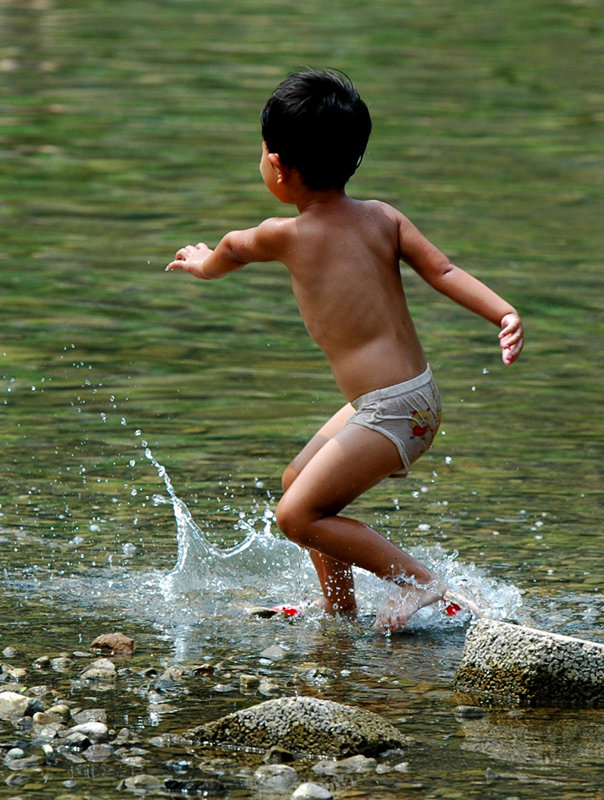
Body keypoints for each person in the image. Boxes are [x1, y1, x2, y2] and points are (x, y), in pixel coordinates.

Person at [166, 69, 524, 633]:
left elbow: (230, 251)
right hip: (408, 398)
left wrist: (200, 262)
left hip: (393, 410)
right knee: (298, 485)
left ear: (278, 165)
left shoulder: (284, 234)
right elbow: (444, 270)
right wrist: (502, 311)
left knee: (296, 515)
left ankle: (418, 581)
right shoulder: (382, 216)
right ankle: (339, 610)